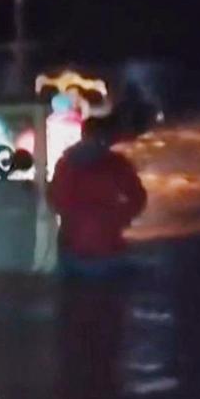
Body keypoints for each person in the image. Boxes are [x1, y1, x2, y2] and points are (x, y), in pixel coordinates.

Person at [47, 115, 148, 278]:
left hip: (73, 250)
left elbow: (55, 199)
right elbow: (138, 198)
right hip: (109, 249)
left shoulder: (66, 163)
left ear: (83, 135)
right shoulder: (117, 164)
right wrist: (119, 218)